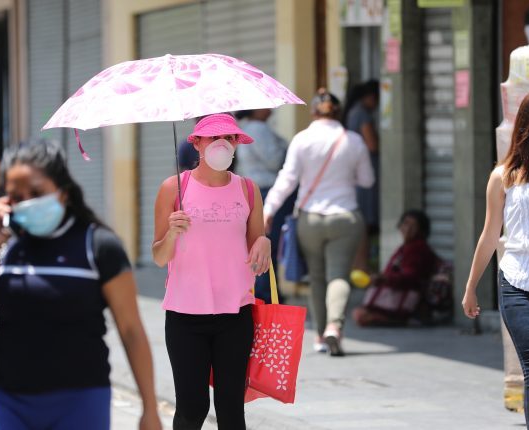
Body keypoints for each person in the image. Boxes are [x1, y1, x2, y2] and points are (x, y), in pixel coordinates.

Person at [0, 140, 161, 430]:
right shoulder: (7, 247)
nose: (28, 201)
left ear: (62, 192)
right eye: (16, 196)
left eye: (37, 192)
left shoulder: (98, 246)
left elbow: (131, 330)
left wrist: (149, 408)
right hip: (9, 403)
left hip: (80, 403)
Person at [153, 113, 271, 429]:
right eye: (213, 137)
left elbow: (255, 244)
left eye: (230, 138)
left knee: (231, 408)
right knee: (192, 408)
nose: (222, 143)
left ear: (236, 144)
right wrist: (172, 234)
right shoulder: (173, 187)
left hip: (235, 314)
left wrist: (264, 244)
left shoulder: (248, 189)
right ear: (197, 143)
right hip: (184, 315)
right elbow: (158, 257)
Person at [463, 88, 529, 430]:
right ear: (525, 127)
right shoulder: (504, 176)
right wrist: (471, 288)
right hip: (518, 283)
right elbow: (490, 234)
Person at [264, 89, 374, 357]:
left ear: (313, 112)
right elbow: (367, 180)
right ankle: (336, 327)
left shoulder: (302, 140)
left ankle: (319, 334)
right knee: (338, 275)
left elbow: (287, 180)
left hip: (310, 219)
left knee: (316, 277)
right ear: (338, 112)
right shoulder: (354, 141)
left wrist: (268, 211)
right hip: (346, 216)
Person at [235, 109, 295, 302]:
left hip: (255, 191)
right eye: (266, 106)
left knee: (259, 242)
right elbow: (275, 160)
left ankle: (264, 291)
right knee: (268, 243)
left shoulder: (246, 129)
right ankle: (266, 294)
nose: (271, 109)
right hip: (267, 191)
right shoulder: (259, 130)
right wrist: (288, 150)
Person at [352, 210, 438, 327]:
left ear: (421, 230)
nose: (408, 229)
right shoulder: (405, 247)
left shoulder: (417, 249)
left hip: (407, 295)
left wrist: (384, 279)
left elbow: (410, 277)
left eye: (413, 226)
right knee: (359, 314)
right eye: (406, 224)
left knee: (361, 316)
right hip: (398, 291)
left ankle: (399, 319)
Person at [343, 80, 380, 273]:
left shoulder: (352, 112)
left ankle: (357, 266)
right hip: (364, 174)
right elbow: (372, 144)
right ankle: (362, 267)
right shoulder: (362, 114)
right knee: (364, 222)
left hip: (355, 174)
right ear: (371, 97)